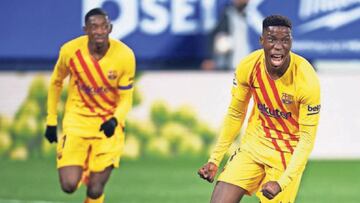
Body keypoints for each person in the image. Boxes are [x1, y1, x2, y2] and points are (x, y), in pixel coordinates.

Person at [198, 15, 321, 203]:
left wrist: (282, 182)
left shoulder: (306, 79)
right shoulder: (249, 66)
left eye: (285, 40)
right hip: (254, 145)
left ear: (291, 42)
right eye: (271, 39)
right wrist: (215, 159)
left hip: (286, 154)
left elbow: (306, 139)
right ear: (262, 41)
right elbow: (236, 112)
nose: (278, 46)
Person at [44, 8, 136, 203]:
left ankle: (91, 177)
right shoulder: (69, 51)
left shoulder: (125, 55)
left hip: (108, 129)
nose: (99, 31)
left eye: (104, 27)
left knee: (95, 189)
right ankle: (83, 168)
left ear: (110, 29)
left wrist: (115, 120)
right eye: (94, 27)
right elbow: (56, 82)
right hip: (76, 124)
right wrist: (51, 121)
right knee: (68, 186)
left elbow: (126, 97)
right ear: (85, 29)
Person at [201, 0, 250, 71]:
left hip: (253, 63)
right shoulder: (229, 14)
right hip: (232, 63)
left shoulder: (257, 14)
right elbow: (214, 34)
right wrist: (209, 58)